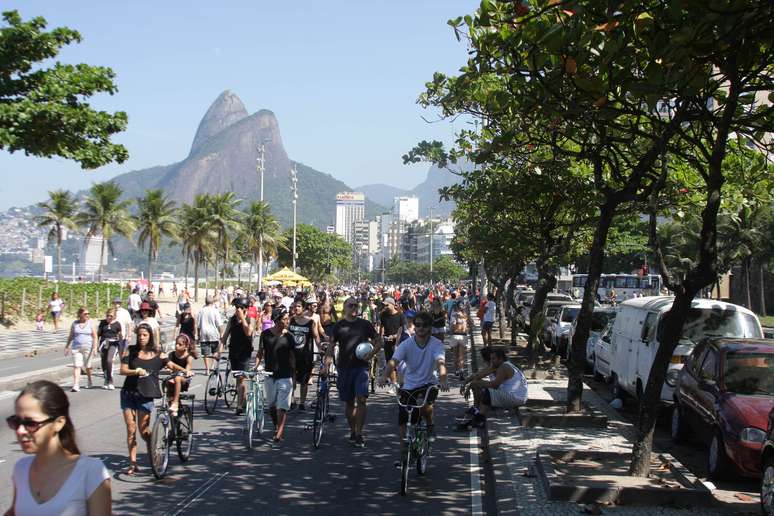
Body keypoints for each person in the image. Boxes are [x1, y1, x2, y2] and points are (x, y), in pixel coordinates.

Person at [6, 380, 111, 515]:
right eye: (16, 422)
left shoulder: (91, 471)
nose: (20, 431)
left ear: (59, 423)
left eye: (30, 423)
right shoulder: (21, 469)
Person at [119, 323, 189, 475]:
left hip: (146, 395)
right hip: (128, 394)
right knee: (131, 429)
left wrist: (185, 371)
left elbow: (170, 364)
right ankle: (133, 463)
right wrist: (135, 371)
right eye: (139, 335)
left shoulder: (158, 352)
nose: (141, 338)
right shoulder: (130, 351)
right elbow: (122, 370)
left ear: (150, 336)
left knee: (143, 431)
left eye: (144, 335)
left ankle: (153, 449)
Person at [380, 311, 449, 447]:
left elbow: (441, 363)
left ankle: (430, 425)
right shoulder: (406, 344)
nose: (421, 328)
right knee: (403, 419)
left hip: (428, 383)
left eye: (424, 325)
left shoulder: (436, 344)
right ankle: (404, 453)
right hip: (409, 385)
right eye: (418, 325)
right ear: (414, 327)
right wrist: (384, 376)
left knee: (423, 405)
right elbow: (393, 361)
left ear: (430, 327)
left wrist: (443, 379)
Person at [324, 296, 378, 448]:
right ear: (345, 308)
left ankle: (359, 433)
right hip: (344, 367)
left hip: (361, 368)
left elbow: (378, 340)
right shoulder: (339, 326)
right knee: (349, 402)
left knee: (361, 399)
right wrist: (326, 364)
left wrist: (372, 353)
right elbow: (331, 345)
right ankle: (353, 430)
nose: (354, 308)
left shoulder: (365, 324)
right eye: (351, 305)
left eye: (356, 305)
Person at [458, 348, 528, 430]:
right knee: (479, 384)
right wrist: (465, 383)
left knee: (488, 391)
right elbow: (477, 375)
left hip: (516, 398)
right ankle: (476, 410)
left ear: (500, 359)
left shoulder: (504, 367)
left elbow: (494, 385)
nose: (491, 361)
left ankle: (479, 420)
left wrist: (472, 385)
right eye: (490, 359)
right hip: (513, 395)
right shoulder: (498, 365)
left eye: (493, 359)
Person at [256, 307, 295, 442]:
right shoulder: (265, 334)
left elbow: (292, 357)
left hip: (285, 375)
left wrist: (294, 377)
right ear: (277, 321)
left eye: (287, 319)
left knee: (282, 406)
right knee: (272, 405)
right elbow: (260, 352)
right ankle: (276, 426)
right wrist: (255, 366)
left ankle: (279, 433)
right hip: (270, 375)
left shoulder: (289, 337)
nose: (287, 321)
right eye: (284, 319)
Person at [219, 297, 255, 415]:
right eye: (236, 308)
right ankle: (242, 401)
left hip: (245, 353)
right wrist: (219, 351)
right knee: (238, 379)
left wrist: (243, 318)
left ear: (245, 309)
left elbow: (248, 332)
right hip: (233, 351)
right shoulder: (232, 319)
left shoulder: (250, 319)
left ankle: (239, 406)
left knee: (241, 378)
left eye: (239, 308)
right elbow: (225, 336)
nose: (236, 310)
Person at [288, 300, 320, 410]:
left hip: (306, 355)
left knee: (304, 381)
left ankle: (302, 402)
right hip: (292, 355)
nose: (296, 308)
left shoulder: (310, 322)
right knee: (292, 379)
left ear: (303, 308)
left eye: (298, 306)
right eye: (294, 307)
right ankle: (291, 400)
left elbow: (316, 337)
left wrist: (321, 350)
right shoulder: (291, 321)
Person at [64, 307, 98, 392]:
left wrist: (95, 348)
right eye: (85, 314)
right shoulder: (75, 324)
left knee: (87, 366)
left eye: (88, 314)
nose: (87, 315)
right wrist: (67, 346)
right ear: (80, 314)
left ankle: (89, 379)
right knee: (77, 366)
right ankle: (76, 385)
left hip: (88, 347)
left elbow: (95, 336)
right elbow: (71, 335)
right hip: (76, 348)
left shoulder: (90, 323)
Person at [166, 334, 195, 416]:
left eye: (180, 344)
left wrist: (187, 371)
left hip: (184, 380)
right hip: (172, 378)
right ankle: (174, 419)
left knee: (178, 378)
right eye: (176, 343)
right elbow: (168, 364)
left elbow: (187, 369)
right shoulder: (171, 354)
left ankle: (175, 403)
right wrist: (168, 368)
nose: (176, 346)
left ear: (186, 346)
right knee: (166, 382)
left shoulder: (188, 357)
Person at [379, 298, 405, 387]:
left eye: (387, 305)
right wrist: (381, 337)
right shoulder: (383, 315)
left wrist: (394, 336)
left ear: (393, 304)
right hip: (387, 342)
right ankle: (394, 384)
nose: (385, 307)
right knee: (390, 363)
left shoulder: (400, 315)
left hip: (399, 343)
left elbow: (403, 330)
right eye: (384, 305)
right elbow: (382, 327)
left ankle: (402, 383)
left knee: (400, 364)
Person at [197, 294, 224, 375]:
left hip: (204, 334)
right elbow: (219, 324)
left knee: (205, 353)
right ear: (213, 302)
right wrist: (221, 334)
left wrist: (198, 335)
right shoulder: (215, 310)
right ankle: (213, 365)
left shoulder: (201, 311)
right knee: (214, 351)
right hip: (213, 334)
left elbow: (198, 325)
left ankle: (207, 369)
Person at [97, 309, 122, 390]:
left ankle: (111, 381)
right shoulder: (103, 323)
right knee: (104, 362)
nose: (109, 317)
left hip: (113, 344)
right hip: (104, 344)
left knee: (109, 360)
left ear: (114, 316)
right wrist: (97, 345)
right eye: (108, 316)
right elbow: (98, 335)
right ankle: (106, 379)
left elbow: (120, 335)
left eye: (111, 316)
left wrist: (120, 343)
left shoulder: (117, 324)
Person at [449, 303, 469, 379]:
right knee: (461, 356)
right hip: (463, 336)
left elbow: (452, 327)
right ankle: (461, 370)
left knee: (456, 355)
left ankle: (457, 370)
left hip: (455, 335)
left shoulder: (453, 315)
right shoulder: (465, 315)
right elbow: (470, 324)